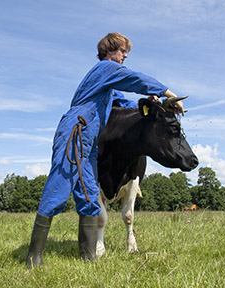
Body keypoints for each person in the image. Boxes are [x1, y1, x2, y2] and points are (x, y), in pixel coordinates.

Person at [26, 32, 184, 268]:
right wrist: (167, 92)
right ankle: (33, 257)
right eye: (122, 50)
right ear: (109, 50)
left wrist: (156, 105)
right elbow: (134, 79)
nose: (125, 55)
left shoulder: (109, 87)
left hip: (90, 139)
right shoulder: (104, 69)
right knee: (60, 184)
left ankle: (88, 257)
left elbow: (125, 104)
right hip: (76, 130)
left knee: (90, 193)